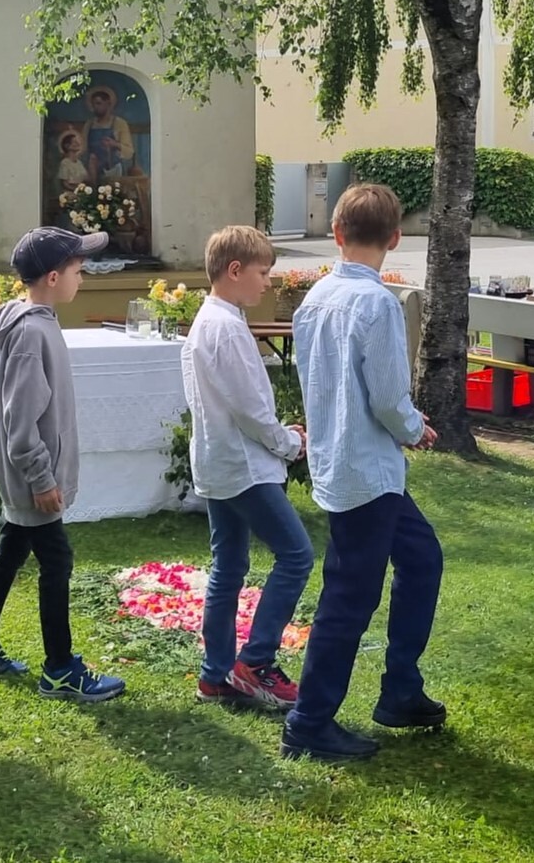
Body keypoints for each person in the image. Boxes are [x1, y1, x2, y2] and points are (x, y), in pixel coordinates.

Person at [281, 184, 445, 762]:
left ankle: (400, 689)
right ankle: (308, 722)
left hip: (348, 461)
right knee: (350, 597)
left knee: (422, 559)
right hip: (365, 469)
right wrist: (413, 427)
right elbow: (388, 397)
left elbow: (316, 380)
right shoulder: (377, 304)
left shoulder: (315, 297)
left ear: (336, 233)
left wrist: (400, 425)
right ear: (396, 238)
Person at [0, 226, 126, 704]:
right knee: (57, 561)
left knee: (11, 551)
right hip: (33, 479)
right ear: (53, 277)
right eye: (77, 270)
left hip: (32, 478)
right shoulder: (32, 332)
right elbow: (19, 420)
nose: (82, 278)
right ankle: (60, 669)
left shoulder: (41, 322)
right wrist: (42, 477)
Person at [182, 225, 314, 709]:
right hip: (243, 466)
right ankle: (255, 663)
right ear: (234, 270)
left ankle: (216, 674)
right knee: (296, 555)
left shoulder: (211, 320)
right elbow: (249, 408)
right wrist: (288, 442)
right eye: (263, 272)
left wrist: (278, 434)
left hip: (219, 460)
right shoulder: (225, 327)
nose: (268, 282)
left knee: (229, 566)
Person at [82, 86, 134, 182]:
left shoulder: (119, 123)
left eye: (99, 103)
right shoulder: (89, 125)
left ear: (108, 103)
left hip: (114, 171)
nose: (95, 107)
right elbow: (82, 149)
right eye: (93, 104)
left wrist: (114, 144)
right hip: (93, 170)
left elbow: (129, 151)